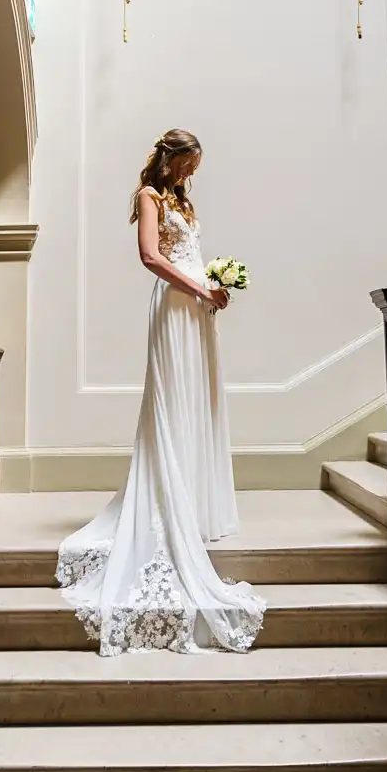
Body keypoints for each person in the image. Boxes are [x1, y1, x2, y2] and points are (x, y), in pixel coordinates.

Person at [56, 129, 265, 655]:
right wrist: (198, 287)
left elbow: (187, 252)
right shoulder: (148, 196)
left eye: (196, 165)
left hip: (195, 309)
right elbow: (150, 256)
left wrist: (215, 286)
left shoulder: (183, 199)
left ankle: (191, 501)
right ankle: (165, 500)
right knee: (171, 404)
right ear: (170, 158)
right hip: (174, 307)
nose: (192, 172)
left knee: (199, 401)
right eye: (188, 163)